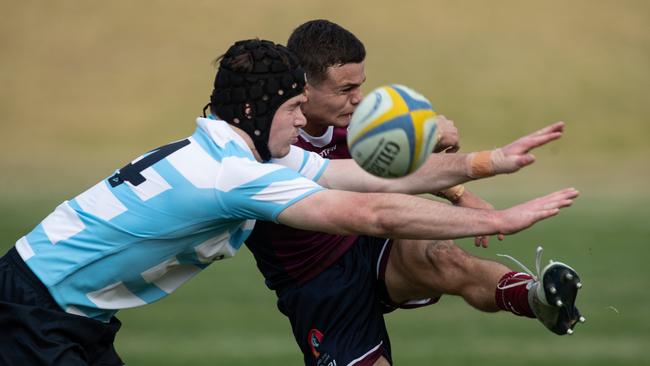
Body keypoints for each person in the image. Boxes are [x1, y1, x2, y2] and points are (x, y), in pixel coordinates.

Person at [0, 38, 577, 366]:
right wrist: (504, 218)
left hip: (62, 314)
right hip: (32, 315)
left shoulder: (242, 153)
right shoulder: (233, 176)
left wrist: (487, 163)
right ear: (257, 112)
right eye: (293, 108)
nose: (304, 121)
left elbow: (370, 181)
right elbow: (371, 215)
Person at [245, 20, 584, 366]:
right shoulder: (271, 136)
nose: (358, 99)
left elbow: (390, 168)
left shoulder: (362, 121)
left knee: (443, 256)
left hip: (369, 241)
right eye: (345, 90)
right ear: (303, 87)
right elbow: (341, 185)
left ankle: (535, 297)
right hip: (317, 280)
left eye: (360, 86)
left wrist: (447, 179)